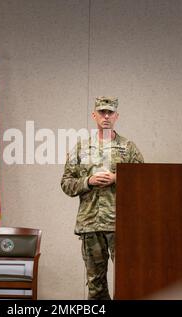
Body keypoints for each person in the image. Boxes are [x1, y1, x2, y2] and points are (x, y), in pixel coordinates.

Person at [61, 96, 144, 300]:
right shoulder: (80, 148)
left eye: (110, 113)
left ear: (116, 116)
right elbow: (66, 183)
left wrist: (117, 178)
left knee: (129, 280)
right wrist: (88, 181)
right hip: (91, 224)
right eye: (102, 112)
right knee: (95, 285)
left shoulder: (128, 148)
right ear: (94, 115)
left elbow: (144, 182)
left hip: (121, 225)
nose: (106, 116)